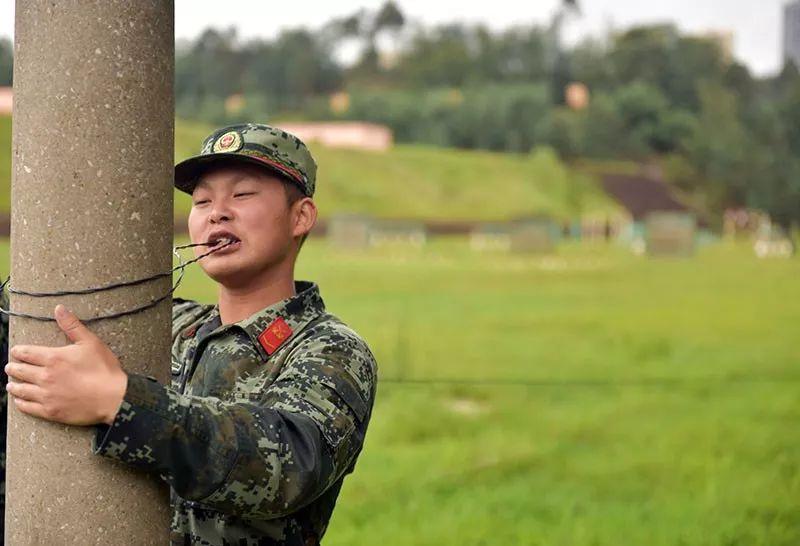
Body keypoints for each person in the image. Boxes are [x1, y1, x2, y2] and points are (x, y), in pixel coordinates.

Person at [1, 123, 378, 545]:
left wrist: (120, 402)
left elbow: (289, 466)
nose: (217, 212)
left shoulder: (329, 348)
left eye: (242, 195)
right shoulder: (170, 326)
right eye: (202, 201)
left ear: (301, 216)